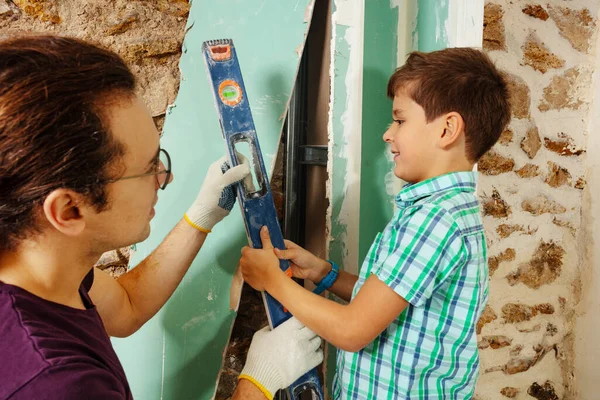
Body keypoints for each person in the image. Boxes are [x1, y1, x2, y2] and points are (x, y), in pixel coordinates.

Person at [0, 35, 322, 400]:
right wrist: (257, 383)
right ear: (68, 211)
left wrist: (200, 217)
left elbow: (126, 305)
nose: (164, 177)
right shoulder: (54, 383)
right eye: (147, 167)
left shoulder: (42, 271)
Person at [239, 47, 511, 399]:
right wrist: (323, 273)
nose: (388, 133)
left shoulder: (434, 219)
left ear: (447, 129)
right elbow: (387, 301)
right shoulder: (441, 210)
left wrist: (272, 280)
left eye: (399, 120)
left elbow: (354, 329)